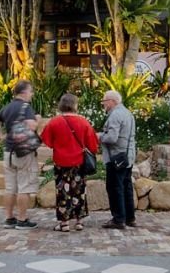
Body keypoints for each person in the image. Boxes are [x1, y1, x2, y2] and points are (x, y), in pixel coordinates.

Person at [39, 93, 99, 232]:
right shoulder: (83, 122)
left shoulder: (55, 121)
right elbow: (93, 145)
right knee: (79, 190)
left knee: (62, 192)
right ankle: (79, 221)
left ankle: (64, 223)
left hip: (61, 162)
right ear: (75, 105)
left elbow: (47, 140)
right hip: (79, 162)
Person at [0, 80, 40, 229]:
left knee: (10, 188)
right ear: (23, 92)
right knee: (24, 187)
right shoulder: (26, 107)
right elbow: (32, 125)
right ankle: (22, 220)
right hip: (23, 152)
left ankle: (9, 218)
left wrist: (0, 135)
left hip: (8, 151)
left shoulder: (8, 107)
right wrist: (38, 120)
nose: (32, 94)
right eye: (30, 91)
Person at [98, 89, 137, 230]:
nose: (103, 104)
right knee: (126, 187)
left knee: (115, 187)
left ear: (111, 101)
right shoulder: (128, 113)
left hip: (116, 157)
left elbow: (112, 138)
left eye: (104, 101)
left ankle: (118, 218)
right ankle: (129, 217)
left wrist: (99, 136)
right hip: (128, 156)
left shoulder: (115, 115)